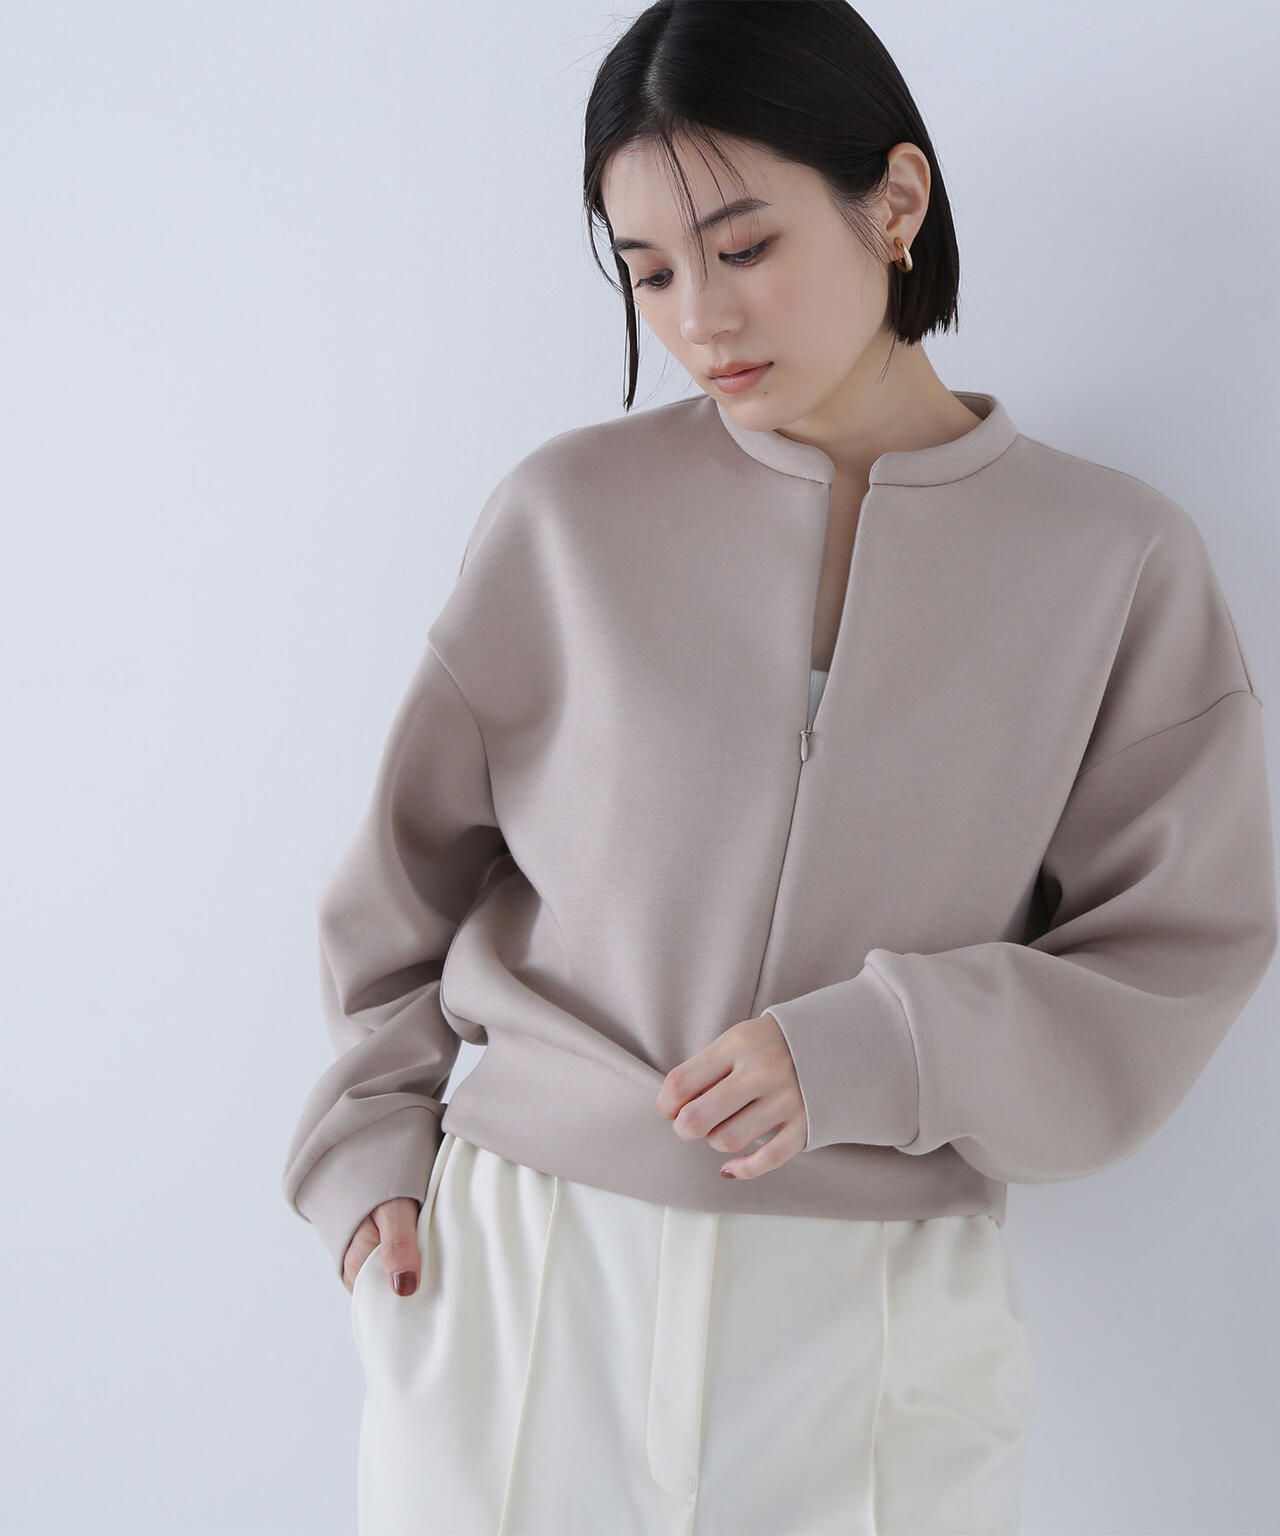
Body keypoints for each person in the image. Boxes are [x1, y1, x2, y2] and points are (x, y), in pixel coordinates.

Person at [281, 3, 1278, 1533]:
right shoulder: (566, 519)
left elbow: (1176, 954)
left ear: (895, 200)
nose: (699, 320)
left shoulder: (1114, 563)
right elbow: (398, 891)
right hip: (525, 1284)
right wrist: (366, 1158)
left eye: (743, 247)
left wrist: (886, 1045)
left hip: (872, 1324)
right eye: (649, 272)